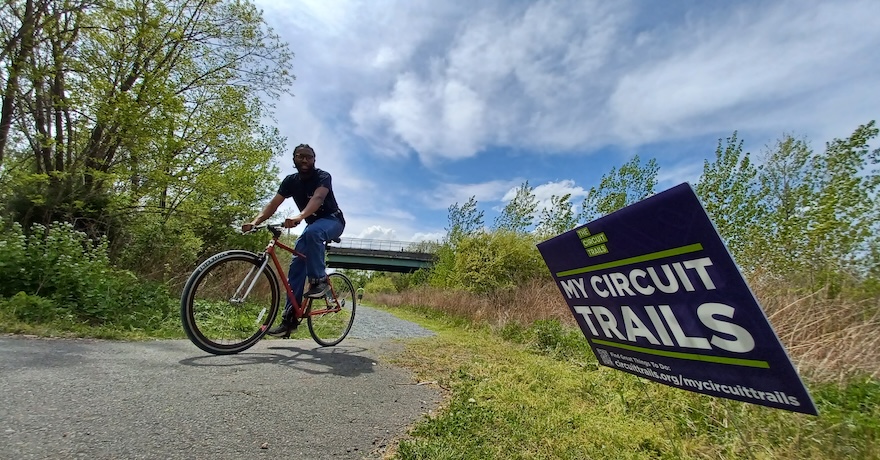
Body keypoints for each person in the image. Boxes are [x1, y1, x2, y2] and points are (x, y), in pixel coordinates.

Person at [241, 144, 345, 337]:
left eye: (309, 157)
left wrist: (300, 216)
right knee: (297, 265)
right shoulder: (290, 181)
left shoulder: (323, 176)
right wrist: (255, 222)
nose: (304, 160)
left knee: (313, 232)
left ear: (314, 160)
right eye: (300, 156)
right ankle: (289, 320)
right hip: (312, 225)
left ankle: (319, 280)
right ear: (294, 159)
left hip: (332, 220)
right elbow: (273, 204)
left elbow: (318, 198)